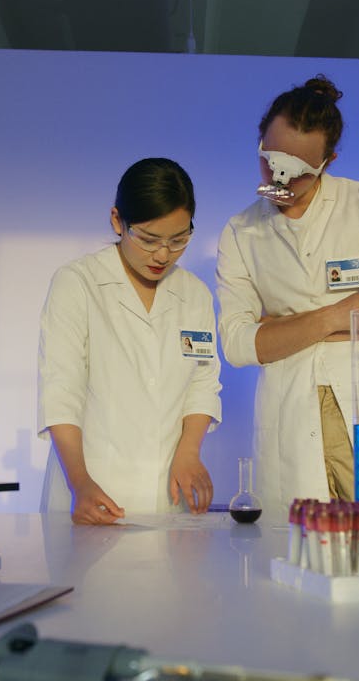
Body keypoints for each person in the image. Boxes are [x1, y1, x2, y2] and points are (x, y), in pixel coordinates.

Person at [216, 74, 359, 518]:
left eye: (299, 172)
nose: (280, 179)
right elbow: (236, 345)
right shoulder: (240, 231)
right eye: (270, 162)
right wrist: (339, 314)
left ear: (327, 162)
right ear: (259, 144)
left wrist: (277, 329)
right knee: (293, 569)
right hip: (291, 420)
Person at [38, 157, 222, 524]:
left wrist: (189, 452)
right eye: (149, 239)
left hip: (167, 498)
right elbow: (62, 391)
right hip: (92, 491)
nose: (163, 255)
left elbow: (203, 381)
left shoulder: (195, 294)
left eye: (179, 239)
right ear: (117, 221)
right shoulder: (78, 283)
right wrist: (80, 483)